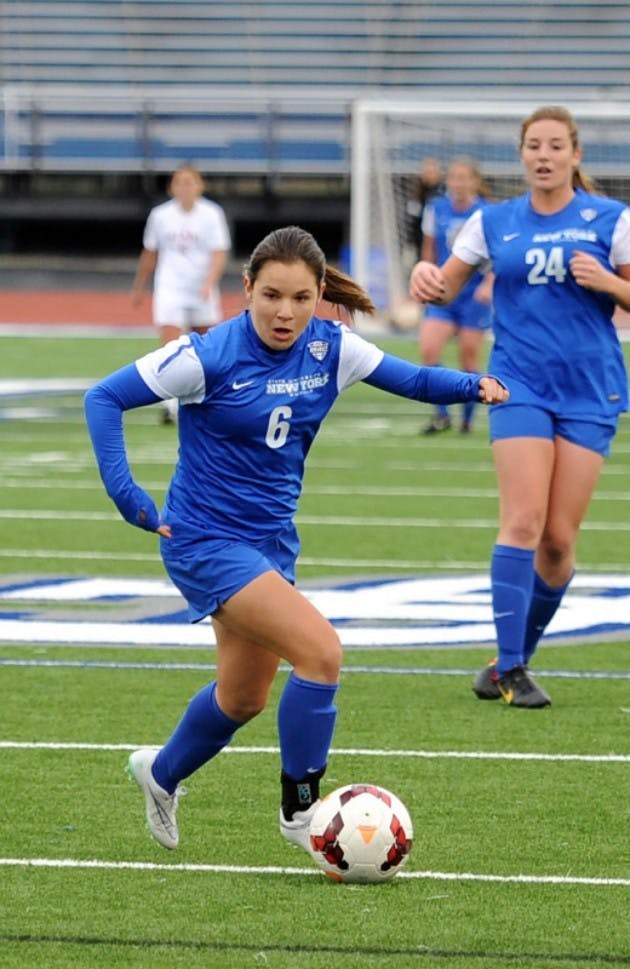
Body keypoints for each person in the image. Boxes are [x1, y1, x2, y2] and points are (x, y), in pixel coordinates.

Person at [85, 225, 508, 853]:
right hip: (204, 541)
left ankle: (161, 773)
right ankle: (302, 813)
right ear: (247, 289)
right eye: (272, 296)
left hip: (271, 543)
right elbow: (104, 397)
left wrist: (474, 385)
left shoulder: (332, 349)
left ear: (318, 297)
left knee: (243, 696)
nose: (286, 313)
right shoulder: (207, 355)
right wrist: (128, 495)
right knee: (321, 653)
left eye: (302, 299)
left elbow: (415, 380)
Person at [410, 105, 630, 708]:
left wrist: (611, 284)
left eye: (556, 146)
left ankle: (512, 659)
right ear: (522, 154)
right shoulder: (493, 221)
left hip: (590, 389)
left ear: (575, 155)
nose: (544, 155)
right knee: (525, 521)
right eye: (534, 145)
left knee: (559, 545)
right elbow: (444, 286)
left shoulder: (611, 219)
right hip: (518, 384)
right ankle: (510, 667)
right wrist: (426, 276)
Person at [131, 163, 231, 423]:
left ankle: (205, 398)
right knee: (170, 345)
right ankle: (169, 404)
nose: (185, 188)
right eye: (180, 182)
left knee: (206, 346)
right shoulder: (160, 215)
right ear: (172, 187)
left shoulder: (211, 214)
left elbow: (219, 252)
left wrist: (209, 282)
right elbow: (150, 252)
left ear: (200, 185)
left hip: (200, 288)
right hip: (170, 287)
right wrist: (140, 286)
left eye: (190, 182)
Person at [419, 157, 494, 435]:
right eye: (454, 177)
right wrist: (424, 277)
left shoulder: (486, 213)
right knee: (429, 349)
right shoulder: (436, 208)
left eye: (464, 177)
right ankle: (442, 415)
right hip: (443, 290)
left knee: (469, 359)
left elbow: (499, 255)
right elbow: (429, 248)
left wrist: (488, 283)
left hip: (473, 295)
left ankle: (467, 420)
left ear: (475, 181)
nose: (458, 183)